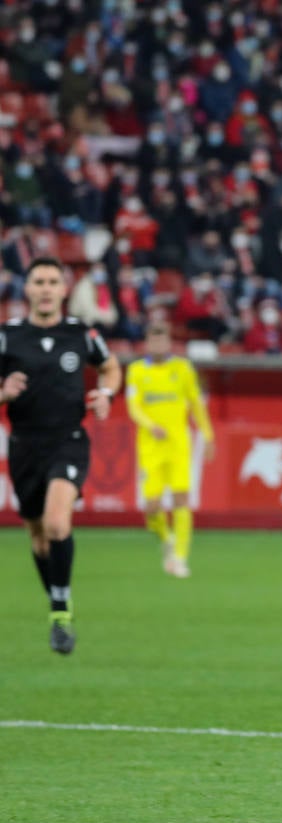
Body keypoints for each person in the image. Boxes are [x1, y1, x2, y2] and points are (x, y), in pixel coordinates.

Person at [0, 257, 121, 653]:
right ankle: (58, 605)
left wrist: (105, 394)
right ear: (28, 289)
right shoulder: (8, 336)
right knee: (37, 538)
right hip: (24, 445)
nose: (47, 288)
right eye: (40, 281)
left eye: (54, 281)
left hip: (68, 439)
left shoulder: (80, 334)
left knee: (56, 523)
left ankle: (60, 607)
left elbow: (110, 367)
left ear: (64, 289)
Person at [125, 322, 215, 578]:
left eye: (162, 341)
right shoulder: (136, 371)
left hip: (178, 444)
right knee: (152, 508)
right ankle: (166, 538)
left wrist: (207, 434)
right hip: (151, 448)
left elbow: (196, 403)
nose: (158, 346)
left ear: (169, 343)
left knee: (181, 499)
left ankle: (180, 558)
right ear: (147, 344)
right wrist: (150, 425)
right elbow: (134, 407)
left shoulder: (182, 369)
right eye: (153, 342)